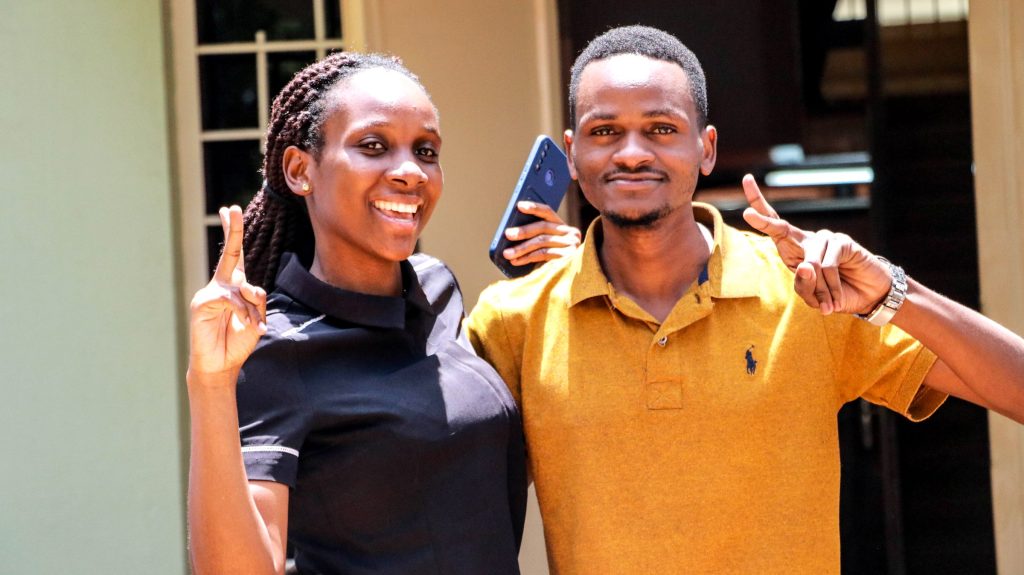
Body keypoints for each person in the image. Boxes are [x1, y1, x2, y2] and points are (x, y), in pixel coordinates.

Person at [465, 25, 1024, 574]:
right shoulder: (515, 319)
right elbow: (433, 493)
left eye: (661, 129)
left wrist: (892, 295)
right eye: (605, 131)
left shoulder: (805, 292)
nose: (631, 153)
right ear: (572, 152)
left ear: (706, 149)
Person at [185, 51, 579, 575]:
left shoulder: (439, 291)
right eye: (373, 146)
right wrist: (209, 384)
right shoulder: (278, 348)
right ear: (301, 170)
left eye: (426, 150)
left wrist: (574, 282)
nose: (410, 172)